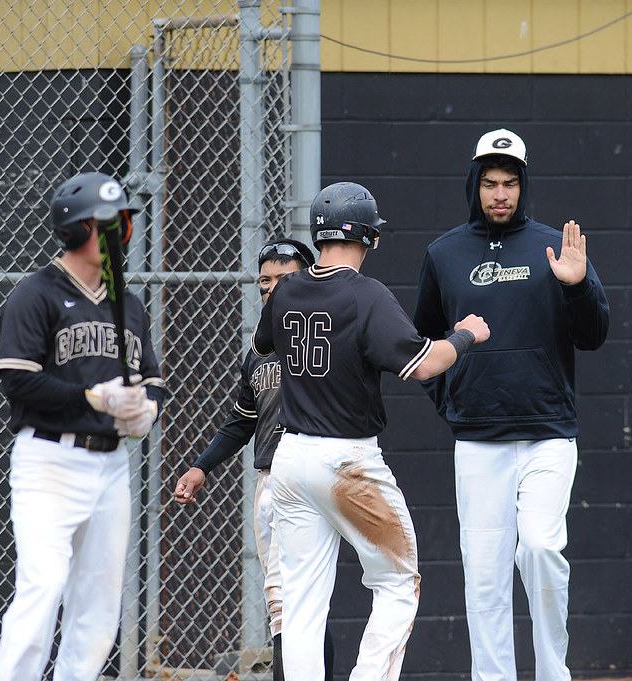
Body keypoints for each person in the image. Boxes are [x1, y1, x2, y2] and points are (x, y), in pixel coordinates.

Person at [251, 181, 490, 681]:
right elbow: (424, 365)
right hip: (347, 460)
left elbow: (266, 343)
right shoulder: (366, 293)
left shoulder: (288, 287)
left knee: (300, 601)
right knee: (398, 581)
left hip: (289, 459)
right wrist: (466, 334)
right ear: (365, 235)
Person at [412, 128, 610, 681]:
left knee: (543, 550)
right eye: (491, 183)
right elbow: (423, 343)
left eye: (511, 184)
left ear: (524, 186)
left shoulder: (555, 247)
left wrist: (576, 285)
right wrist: (451, 397)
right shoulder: (444, 254)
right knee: (484, 576)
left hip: (548, 434)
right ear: (476, 184)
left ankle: (553, 673)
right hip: (477, 440)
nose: (501, 194)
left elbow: (594, 334)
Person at [0, 172, 164, 681]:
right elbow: (18, 382)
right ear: (73, 231)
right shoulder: (36, 294)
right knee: (43, 588)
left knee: (98, 601)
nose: (118, 237)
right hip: (49, 460)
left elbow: (151, 380)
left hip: (111, 464)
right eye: (107, 227)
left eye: (122, 227)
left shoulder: (129, 304)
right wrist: (94, 397)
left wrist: (145, 412)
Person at [173, 237, 334, 681]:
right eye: (265, 280)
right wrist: (201, 466)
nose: (271, 288)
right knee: (285, 603)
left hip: (314, 472)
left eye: (284, 278)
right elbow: (241, 421)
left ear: (308, 276)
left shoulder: (325, 330)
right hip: (270, 477)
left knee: (300, 599)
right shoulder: (258, 351)